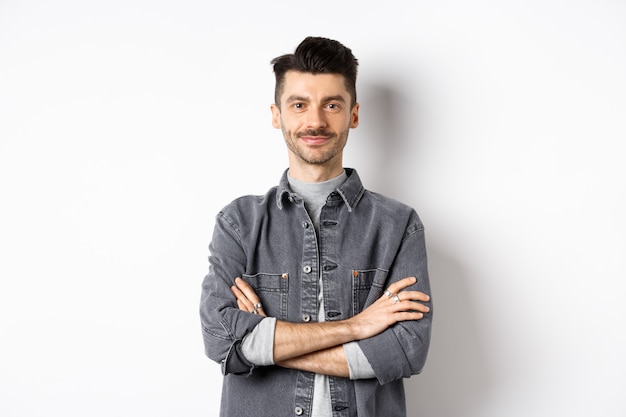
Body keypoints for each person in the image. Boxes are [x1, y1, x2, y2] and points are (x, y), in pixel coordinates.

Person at [199, 36, 432, 417]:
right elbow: (219, 339)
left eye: (332, 105)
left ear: (353, 114)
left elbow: (406, 350)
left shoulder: (399, 226)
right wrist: (358, 327)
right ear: (277, 115)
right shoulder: (238, 223)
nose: (315, 121)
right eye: (299, 105)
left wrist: (265, 345)